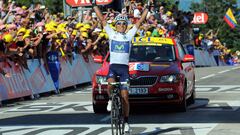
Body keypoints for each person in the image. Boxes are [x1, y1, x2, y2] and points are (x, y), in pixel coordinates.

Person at [91, 0, 150, 133]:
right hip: (113, 67)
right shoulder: (111, 34)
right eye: (119, 23)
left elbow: (140, 21)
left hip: (124, 70)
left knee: (125, 96)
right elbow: (101, 19)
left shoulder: (129, 35)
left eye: (124, 24)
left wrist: (147, 8)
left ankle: (127, 121)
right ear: (116, 25)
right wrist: (94, 5)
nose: (122, 25)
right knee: (110, 84)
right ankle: (111, 99)